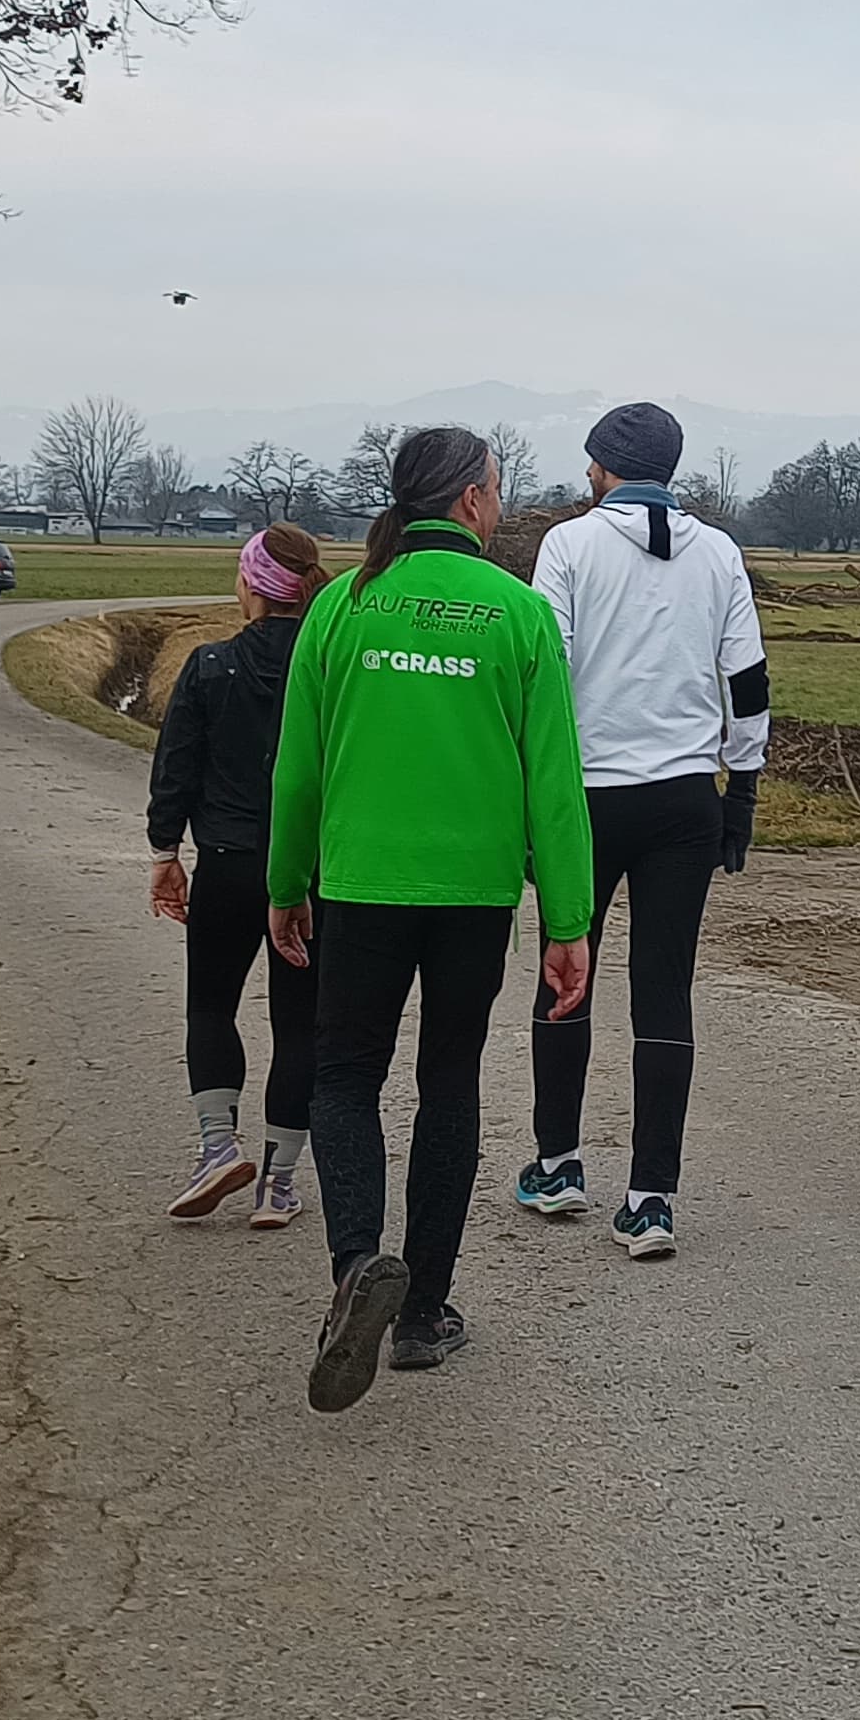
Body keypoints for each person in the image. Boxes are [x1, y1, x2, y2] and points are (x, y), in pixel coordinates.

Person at [266, 427, 596, 1407]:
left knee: (345, 1075)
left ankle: (355, 1268)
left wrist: (285, 884)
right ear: (470, 501)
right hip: (473, 893)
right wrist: (567, 919)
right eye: (495, 487)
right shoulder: (519, 613)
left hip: (360, 882)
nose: (497, 501)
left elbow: (297, 770)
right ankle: (420, 1314)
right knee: (448, 1081)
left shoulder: (341, 604)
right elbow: (554, 783)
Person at [513, 401, 769, 1259]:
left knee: (564, 972)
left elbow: (546, 672)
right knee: (665, 991)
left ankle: (558, 1164)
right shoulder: (719, 551)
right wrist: (743, 790)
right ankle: (651, 1198)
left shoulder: (569, 545)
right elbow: (748, 679)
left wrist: (530, 799)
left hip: (586, 797)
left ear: (604, 466)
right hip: (686, 799)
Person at [145, 521, 330, 1227]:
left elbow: (176, 767)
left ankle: (218, 1147)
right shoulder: (329, 667)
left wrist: (165, 852)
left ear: (251, 585)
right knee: (300, 1026)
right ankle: (278, 1185)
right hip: (309, 872)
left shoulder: (209, 665)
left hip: (226, 863)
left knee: (211, 1006)